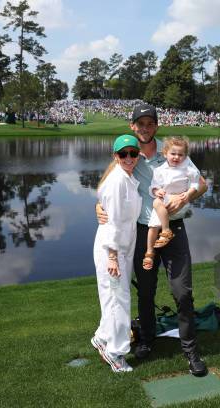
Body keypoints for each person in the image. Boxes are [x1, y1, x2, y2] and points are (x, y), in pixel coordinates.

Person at [96, 104, 209, 377]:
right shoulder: (128, 154)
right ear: (132, 127)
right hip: (143, 232)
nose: (145, 128)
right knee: (145, 293)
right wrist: (98, 206)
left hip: (173, 230)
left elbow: (202, 183)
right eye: (140, 124)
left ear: (156, 126)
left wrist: (186, 197)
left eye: (150, 123)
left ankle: (190, 351)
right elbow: (106, 187)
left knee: (182, 292)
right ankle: (147, 340)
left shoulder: (171, 151)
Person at [91, 135, 142, 373]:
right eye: (124, 154)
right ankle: (115, 352)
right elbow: (111, 222)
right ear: (116, 156)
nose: (129, 158)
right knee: (119, 301)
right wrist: (112, 256)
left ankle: (102, 337)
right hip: (111, 250)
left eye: (133, 153)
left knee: (115, 297)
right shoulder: (117, 181)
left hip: (123, 247)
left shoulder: (127, 178)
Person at [143, 136, 200, 271]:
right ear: (165, 154)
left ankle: (167, 230)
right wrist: (157, 191)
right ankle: (149, 253)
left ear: (185, 156)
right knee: (152, 227)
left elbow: (195, 182)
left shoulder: (187, 168)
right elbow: (153, 186)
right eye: (173, 154)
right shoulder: (160, 170)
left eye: (180, 155)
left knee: (156, 203)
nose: (176, 157)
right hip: (165, 202)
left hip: (179, 202)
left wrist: (189, 194)